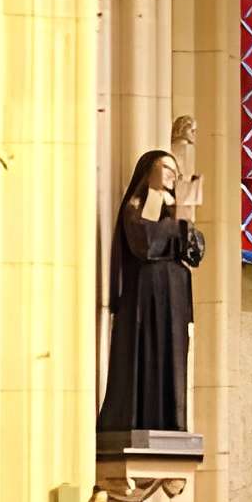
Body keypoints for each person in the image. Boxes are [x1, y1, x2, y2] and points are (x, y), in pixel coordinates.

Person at [98, 148, 205, 434]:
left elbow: (194, 251)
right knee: (145, 359)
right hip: (146, 297)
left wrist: (182, 218)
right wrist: (171, 222)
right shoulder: (136, 205)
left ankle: (173, 424)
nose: (172, 177)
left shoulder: (177, 212)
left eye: (175, 172)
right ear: (150, 172)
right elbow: (145, 243)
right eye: (166, 169)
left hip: (176, 297)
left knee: (174, 362)